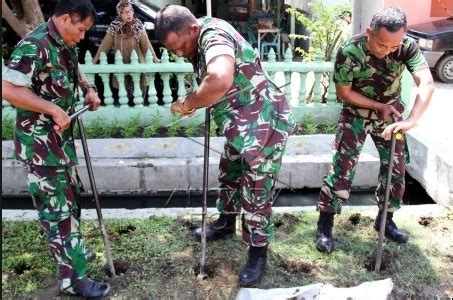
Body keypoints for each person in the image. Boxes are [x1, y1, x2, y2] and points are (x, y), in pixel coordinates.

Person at [155, 5, 294, 286]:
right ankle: (226, 222)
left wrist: (189, 103)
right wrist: (201, 98)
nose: (180, 54)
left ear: (193, 29)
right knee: (229, 170)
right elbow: (214, 85)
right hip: (237, 121)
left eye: (181, 46)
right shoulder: (198, 34)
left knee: (256, 189)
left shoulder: (213, 35)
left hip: (263, 121)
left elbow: (219, 78)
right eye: (173, 51)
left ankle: (257, 252)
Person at [1, 0, 111, 297]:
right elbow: (8, 89)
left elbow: (75, 72)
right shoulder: (33, 46)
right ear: (66, 18)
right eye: (81, 29)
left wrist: (89, 89)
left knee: (71, 202)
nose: (83, 36)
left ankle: (72, 253)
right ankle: (73, 280)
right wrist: (50, 108)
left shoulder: (65, 43)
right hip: (40, 146)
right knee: (57, 211)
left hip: (61, 143)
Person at [315, 6, 434, 254]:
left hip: (390, 117)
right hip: (355, 115)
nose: (388, 51)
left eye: (394, 46)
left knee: (396, 169)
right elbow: (344, 92)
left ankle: (385, 220)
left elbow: (427, 82)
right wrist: (378, 106)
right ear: (370, 32)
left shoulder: (406, 46)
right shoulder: (350, 51)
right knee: (342, 169)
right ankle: (325, 224)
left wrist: (411, 120)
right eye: (382, 45)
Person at [92, 0, 160, 101]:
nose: (129, 14)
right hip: (122, 66)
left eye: (130, 11)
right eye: (124, 12)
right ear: (119, 14)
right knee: (125, 97)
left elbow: (146, 45)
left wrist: (155, 58)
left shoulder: (138, 25)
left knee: (139, 96)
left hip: (138, 67)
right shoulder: (114, 26)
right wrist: (95, 59)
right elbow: (104, 45)